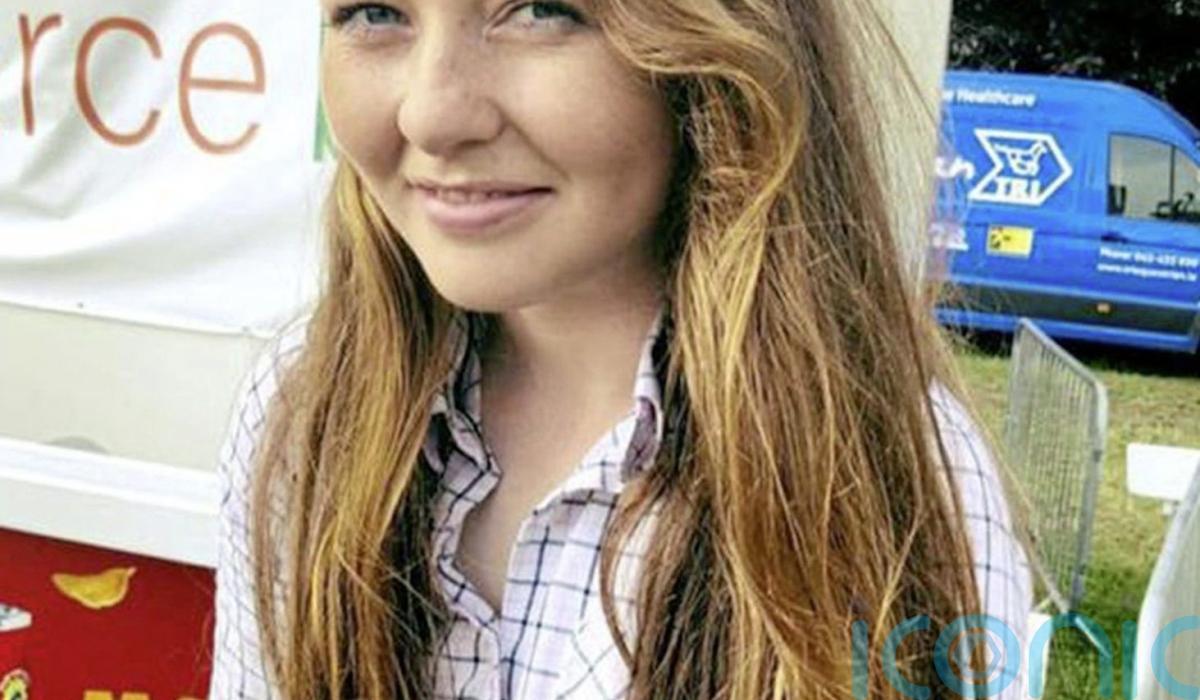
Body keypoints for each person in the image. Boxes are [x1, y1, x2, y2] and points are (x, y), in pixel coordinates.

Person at [210, 1, 1033, 698]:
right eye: (374, 12)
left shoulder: (896, 479)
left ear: (724, 52)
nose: (431, 114)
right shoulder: (303, 413)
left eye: (542, 9)